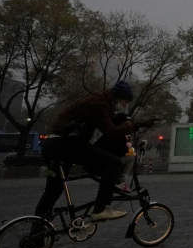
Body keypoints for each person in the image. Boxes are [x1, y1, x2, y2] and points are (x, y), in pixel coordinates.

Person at [35, 81, 156, 223]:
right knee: (113, 162)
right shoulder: (99, 104)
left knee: (53, 191)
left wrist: (134, 123)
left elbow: (108, 123)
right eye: (125, 101)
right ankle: (100, 209)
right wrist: (137, 125)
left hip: (53, 145)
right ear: (118, 97)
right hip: (65, 144)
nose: (124, 105)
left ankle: (37, 235)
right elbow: (110, 131)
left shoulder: (98, 101)